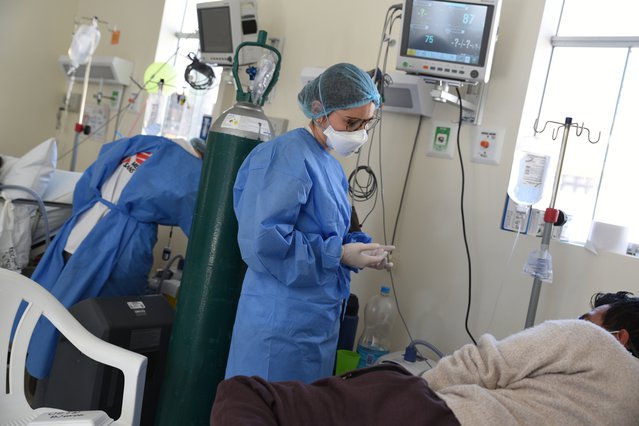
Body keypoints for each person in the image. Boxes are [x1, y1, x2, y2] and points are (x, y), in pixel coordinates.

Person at [212, 292, 639, 425]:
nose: (581, 321)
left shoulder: (592, 340)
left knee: (245, 394)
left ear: (618, 336)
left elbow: (481, 364)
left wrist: (403, 391)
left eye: (589, 316)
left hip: (437, 416)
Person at [224, 63, 394, 384]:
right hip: (278, 323)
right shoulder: (285, 156)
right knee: (264, 412)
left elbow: (333, 231)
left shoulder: (327, 164)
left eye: (366, 123)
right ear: (319, 112)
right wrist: (340, 254)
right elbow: (265, 243)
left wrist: (360, 246)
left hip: (315, 324)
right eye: (351, 122)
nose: (360, 132)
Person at [20, 134, 203, 379]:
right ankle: (62, 382)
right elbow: (201, 224)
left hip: (80, 228)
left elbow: (86, 183)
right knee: (98, 320)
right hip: (120, 241)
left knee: (53, 304)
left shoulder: (144, 142)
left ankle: (31, 363)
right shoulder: (190, 167)